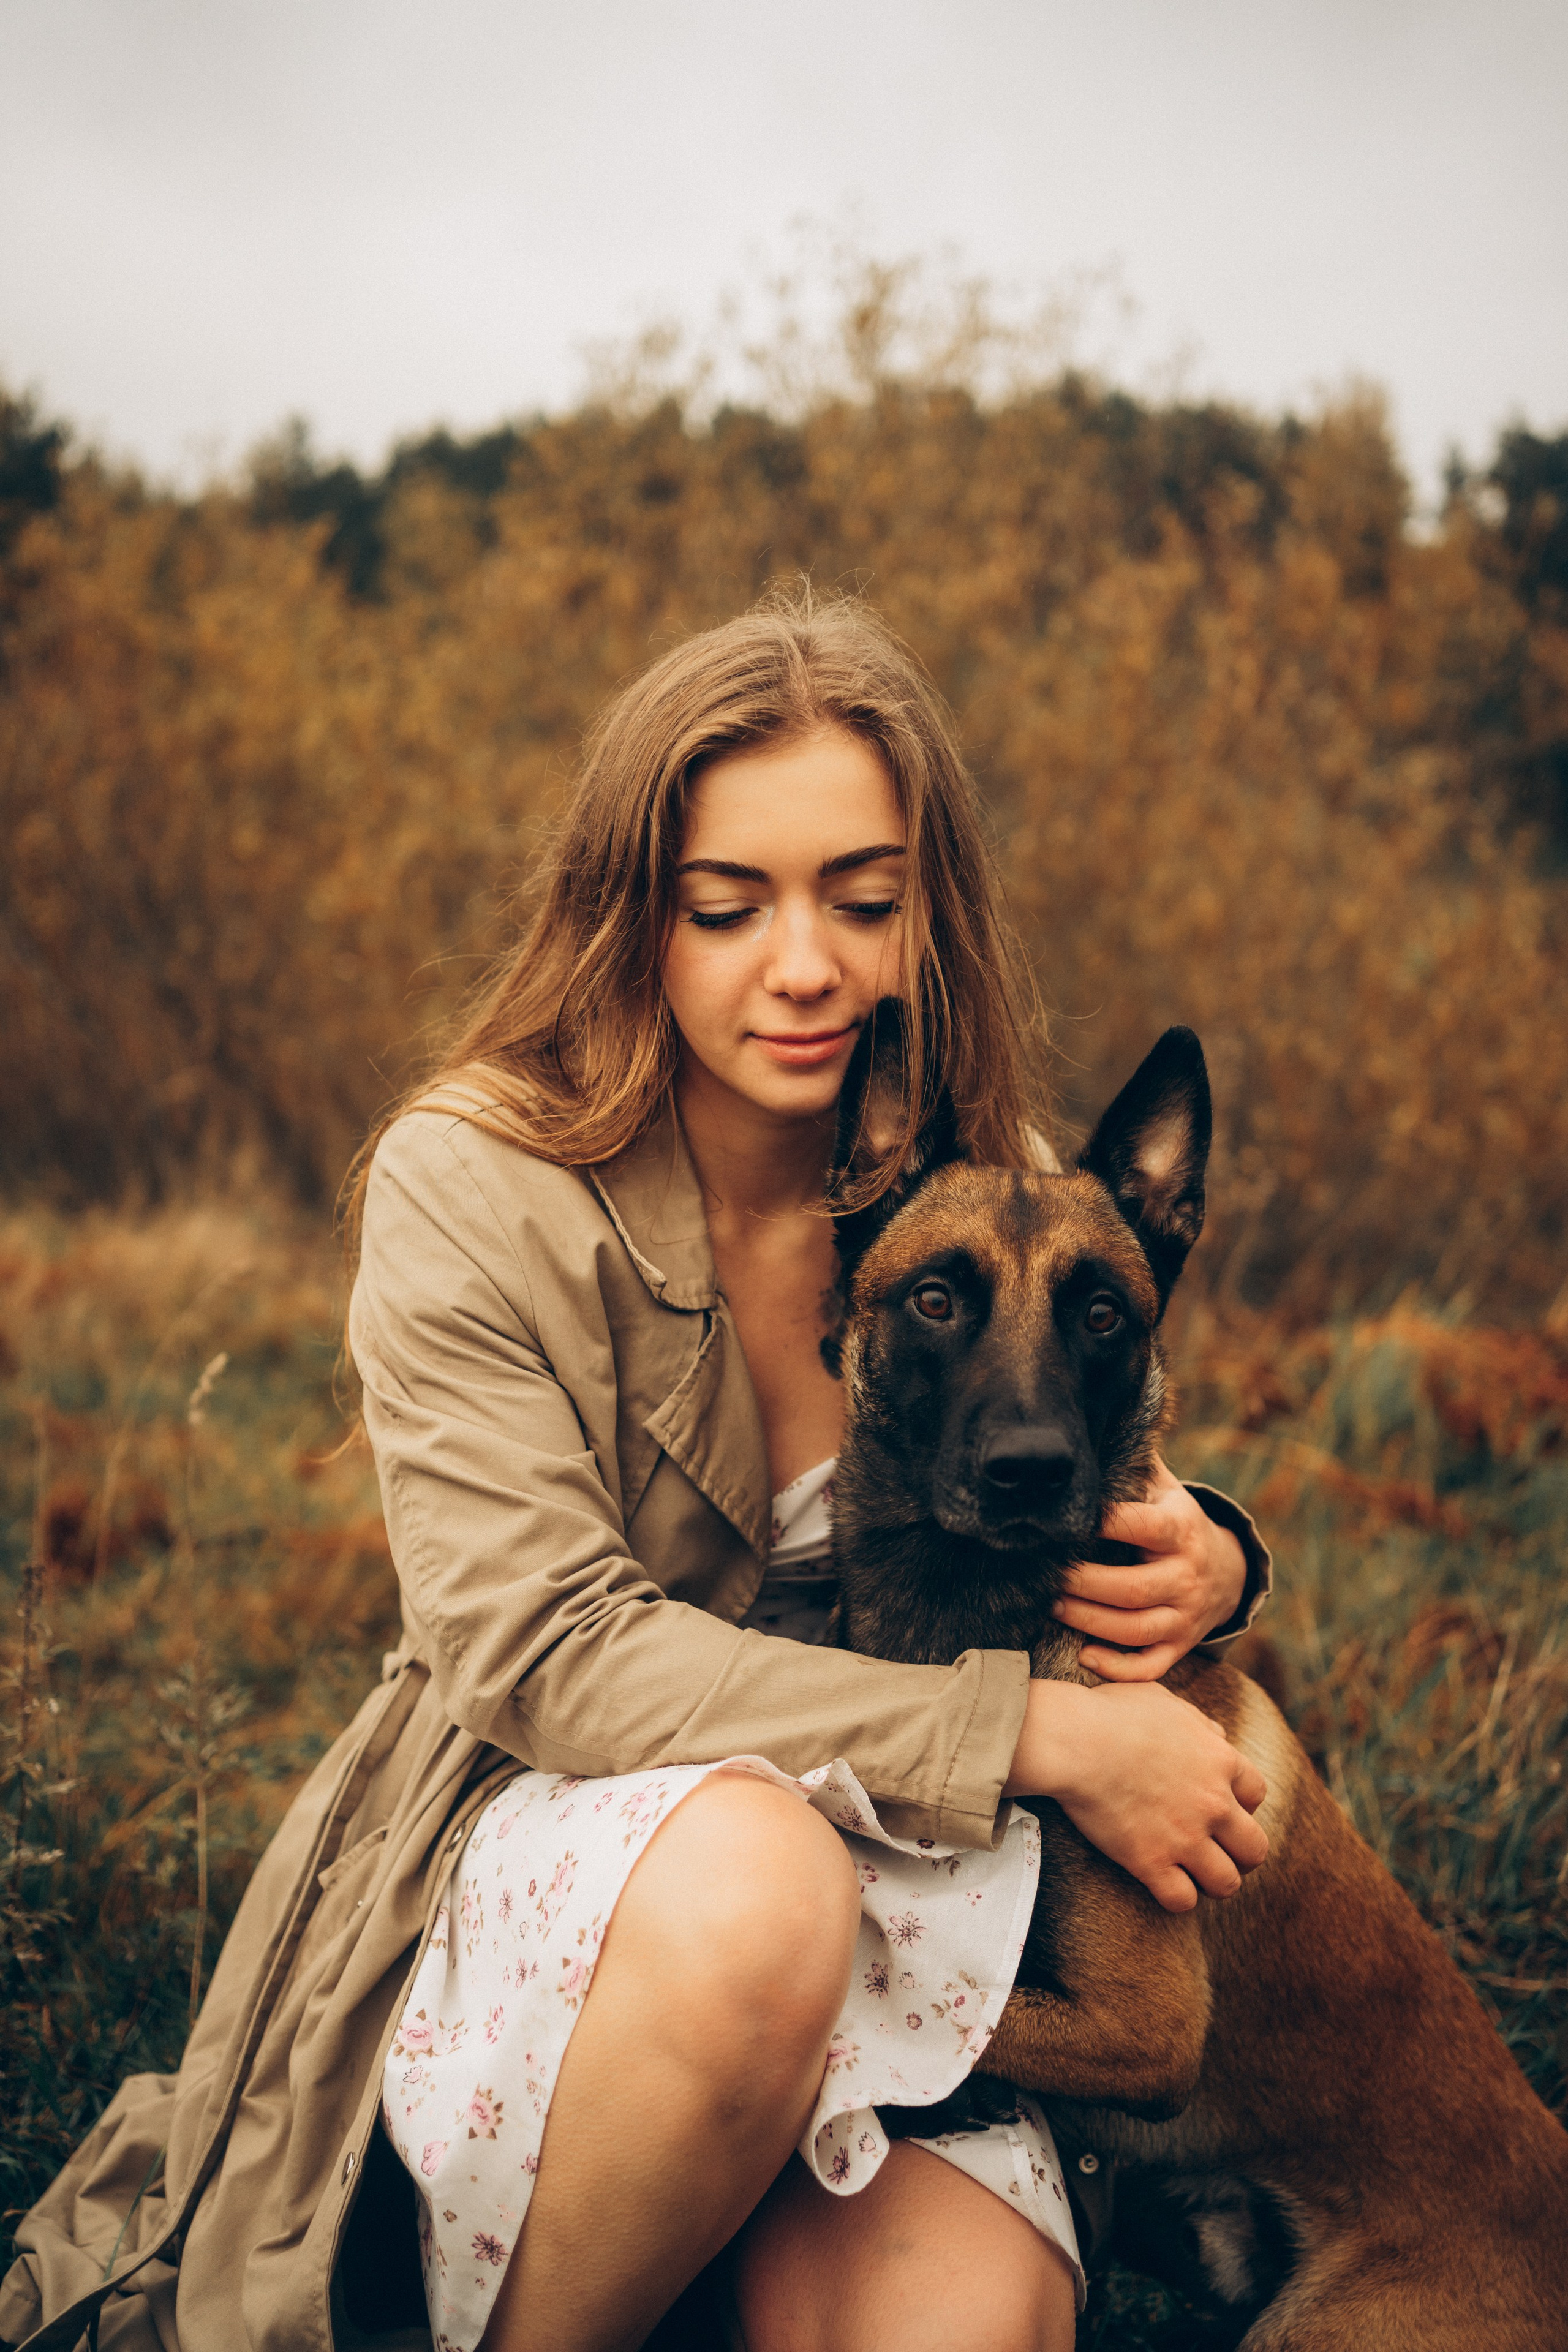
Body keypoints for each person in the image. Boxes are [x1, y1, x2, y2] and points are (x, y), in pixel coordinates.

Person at [1, 591, 1270, 2352]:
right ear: (634, 915)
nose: (807, 964)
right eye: (728, 905)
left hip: (903, 1908)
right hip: (600, 1845)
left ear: (933, 914)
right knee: (762, 1882)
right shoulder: (476, 1181)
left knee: (957, 2331)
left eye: (866, 899)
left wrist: (1207, 1548)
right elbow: (547, 1653)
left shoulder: (980, 1181)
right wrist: (1040, 1736)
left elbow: (1072, 1455)